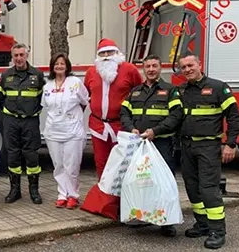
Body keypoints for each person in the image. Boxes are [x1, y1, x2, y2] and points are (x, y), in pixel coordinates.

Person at [177, 53, 239, 250]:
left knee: (208, 189)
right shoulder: (181, 91)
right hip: (186, 146)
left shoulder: (217, 87)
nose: (187, 70)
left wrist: (230, 144)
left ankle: (217, 231)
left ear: (199, 64)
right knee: (192, 186)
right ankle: (202, 223)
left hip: (208, 147)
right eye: (183, 67)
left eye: (190, 65)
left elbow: (234, 117)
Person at [120, 54, 183, 237]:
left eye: (154, 65)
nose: (151, 69)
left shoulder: (171, 90)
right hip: (139, 145)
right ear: (143, 69)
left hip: (161, 144)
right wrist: (131, 128)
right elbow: (124, 112)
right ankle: (141, 215)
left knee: (163, 183)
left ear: (160, 68)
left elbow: (176, 116)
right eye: (148, 66)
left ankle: (167, 222)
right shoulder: (135, 92)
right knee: (141, 181)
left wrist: (156, 131)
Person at [83, 39, 143, 180]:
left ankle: (122, 198)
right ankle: (104, 196)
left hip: (121, 126)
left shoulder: (130, 70)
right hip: (98, 126)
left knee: (122, 164)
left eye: (110, 52)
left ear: (117, 53)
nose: (107, 56)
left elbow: (139, 92)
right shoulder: (91, 72)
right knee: (101, 163)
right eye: (103, 53)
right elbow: (85, 95)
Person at [0, 43, 46, 204]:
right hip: (11, 120)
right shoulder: (6, 76)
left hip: (30, 121)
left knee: (31, 156)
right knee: (13, 156)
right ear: (12, 57)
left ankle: (34, 190)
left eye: (21, 55)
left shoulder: (37, 75)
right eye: (15, 55)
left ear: (27, 56)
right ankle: (14, 190)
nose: (18, 58)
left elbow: (42, 98)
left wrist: (32, 111)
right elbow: (1, 97)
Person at [42, 53, 89, 210]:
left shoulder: (75, 82)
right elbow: (46, 105)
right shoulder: (47, 85)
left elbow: (84, 101)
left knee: (72, 165)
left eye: (62, 63)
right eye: (56, 63)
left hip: (72, 131)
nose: (59, 66)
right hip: (53, 131)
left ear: (67, 66)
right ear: (52, 66)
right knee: (59, 165)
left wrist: (74, 118)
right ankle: (62, 195)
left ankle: (73, 195)